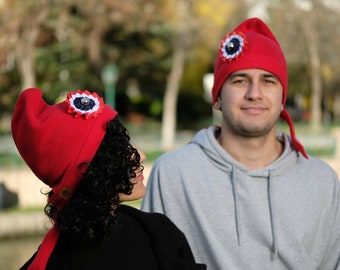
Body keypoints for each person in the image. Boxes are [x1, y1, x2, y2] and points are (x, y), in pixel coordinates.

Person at [141, 17, 340, 270]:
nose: (254, 93)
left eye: (268, 80)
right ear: (217, 98)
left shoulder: (322, 180)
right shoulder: (174, 174)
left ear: (282, 98)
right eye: (240, 80)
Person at [11, 88, 206, 270]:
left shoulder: (46, 260)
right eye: (117, 150)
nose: (141, 155)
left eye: (127, 142)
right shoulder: (158, 236)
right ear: (92, 172)